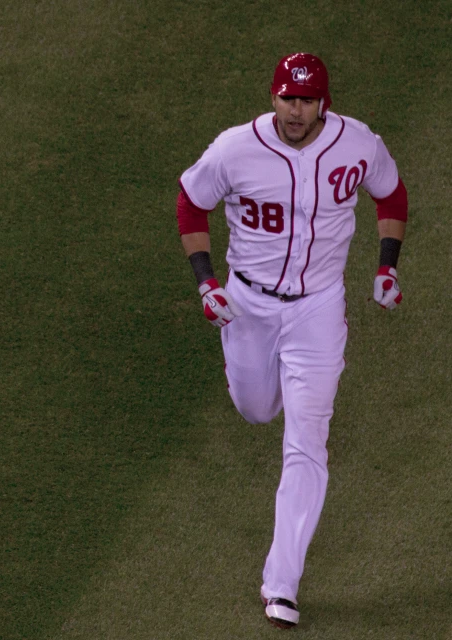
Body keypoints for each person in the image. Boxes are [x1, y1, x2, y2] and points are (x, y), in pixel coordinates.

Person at [176, 52, 407, 629]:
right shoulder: (235, 147)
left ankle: (282, 585)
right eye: (286, 98)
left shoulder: (357, 144)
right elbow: (191, 202)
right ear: (273, 96)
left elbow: (392, 195)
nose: (295, 110)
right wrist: (206, 282)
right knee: (256, 409)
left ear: (323, 102)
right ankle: (262, 374)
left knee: (307, 443)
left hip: (319, 310)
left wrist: (387, 267)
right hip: (247, 303)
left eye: (305, 100)